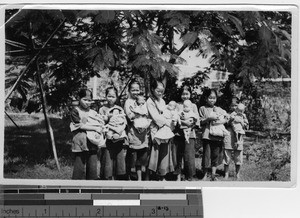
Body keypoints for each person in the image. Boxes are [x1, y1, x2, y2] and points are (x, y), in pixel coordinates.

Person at [69, 89, 105, 180]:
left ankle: (91, 186)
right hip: (80, 141)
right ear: (79, 99)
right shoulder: (75, 111)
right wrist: (94, 128)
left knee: (92, 166)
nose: (87, 102)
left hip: (92, 141)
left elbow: (100, 123)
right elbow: (80, 125)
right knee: (79, 165)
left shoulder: (93, 112)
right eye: (85, 99)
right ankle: (76, 187)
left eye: (89, 100)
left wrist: (98, 131)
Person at [146, 79, 176, 180]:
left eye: (162, 91)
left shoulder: (162, 100)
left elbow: (166, 113)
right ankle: (152, 175)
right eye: (158, 91)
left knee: (164, 152)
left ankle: (162, 174)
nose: (160, 93)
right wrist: (166, 122)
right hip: (155, 130)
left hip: (165, 130)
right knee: (155, 153)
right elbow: (156, 117)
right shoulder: (150, 101)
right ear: (152, 89)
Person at [199, 89, 228, 181]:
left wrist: (225, 118)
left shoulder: (219, 109)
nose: (212, 100)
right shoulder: (202, 108)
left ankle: (213, 175)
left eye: (214, 98)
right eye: (210, 98)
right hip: (207, 136)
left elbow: (226, 116)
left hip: (217, 136)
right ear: (206, 98)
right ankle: (204, 175)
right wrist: (208, 118)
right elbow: (200, 122)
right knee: (206, 155)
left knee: (215, 155)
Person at [99, 87, 127, 180]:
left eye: (113, 96)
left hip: (118, 137)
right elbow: (101, 123)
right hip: (108, 137)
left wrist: (119, 130)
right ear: (106, 96)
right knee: (107, 157)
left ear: (116, 97)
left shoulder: (119, 108)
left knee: (118, 157)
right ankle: (107, 177)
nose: (111, 98)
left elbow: (123, 121)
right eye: (109, 96)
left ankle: (118, 177)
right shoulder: (102, 109)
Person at [124, 80, 150, 181]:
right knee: (132, 156)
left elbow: (146, 114)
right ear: (129, 90)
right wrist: (139, 112)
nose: (135, 92)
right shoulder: (128, 102)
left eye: (137, 90)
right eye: (133, 90)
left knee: (141, 157)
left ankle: (139, 178)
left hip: (143, 132)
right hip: (133, 132)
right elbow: (130, 116)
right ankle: (129, 177)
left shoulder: (142, 101)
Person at [175, 86, 200, 181]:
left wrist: (190, 126)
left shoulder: (193, 106)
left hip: (190, 133)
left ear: (190, 94)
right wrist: (183, 123)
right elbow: (174, 118)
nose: (185, 96)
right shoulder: (177, 105)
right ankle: (177, 175)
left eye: (187, 94)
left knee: (189, 155)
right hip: (178, 133)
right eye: (183, 94)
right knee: (178, 155)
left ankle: (189, 176)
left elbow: (197, 120)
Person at [223, 101, 249, 180]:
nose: (234, 107)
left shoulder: (243, 115)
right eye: (233, 106)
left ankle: (237, 174)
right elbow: (224, 124)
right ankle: (226, 174)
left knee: (238, 156)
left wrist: (243, 122)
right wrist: (231, 120)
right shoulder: (228, 115)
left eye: (236, 105)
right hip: (229, 136)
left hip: (239, 137)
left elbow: (247, 127)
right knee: (227, 155)